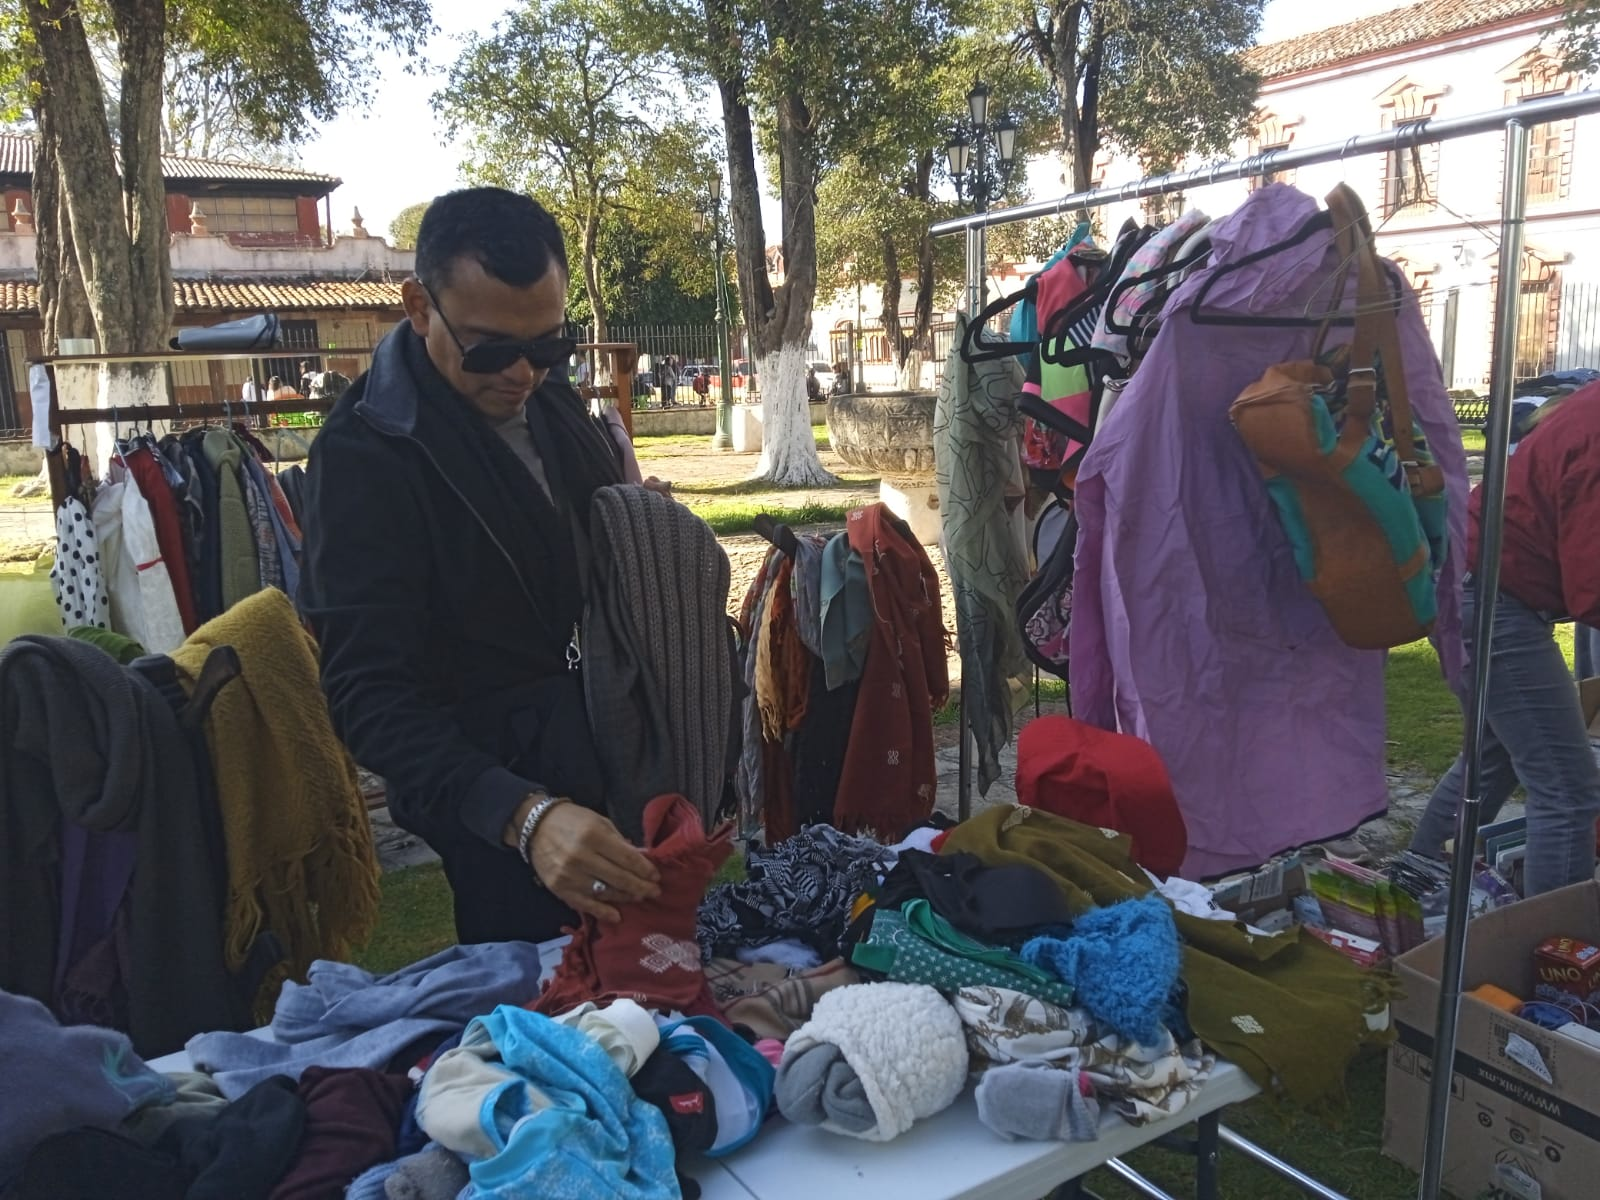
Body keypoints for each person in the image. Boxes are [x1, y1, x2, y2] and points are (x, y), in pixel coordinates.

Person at [300, 187, 663, 944]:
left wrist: (640, 531)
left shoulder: (549, 400)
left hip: (616, 754)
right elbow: (366, 692)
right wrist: (522, 816)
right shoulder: (366, 453)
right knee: (539, 1001)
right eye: (492, 349)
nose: (523, 373)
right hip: (490, 800)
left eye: (549, 346)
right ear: (419, 306)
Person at [1409, 384, 1600, 898]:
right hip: (1492, 597)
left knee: (1490, 762)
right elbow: (1593, 588)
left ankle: (1412, 893)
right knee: (1568, 789)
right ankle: (1557, 942)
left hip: (1476, 585)